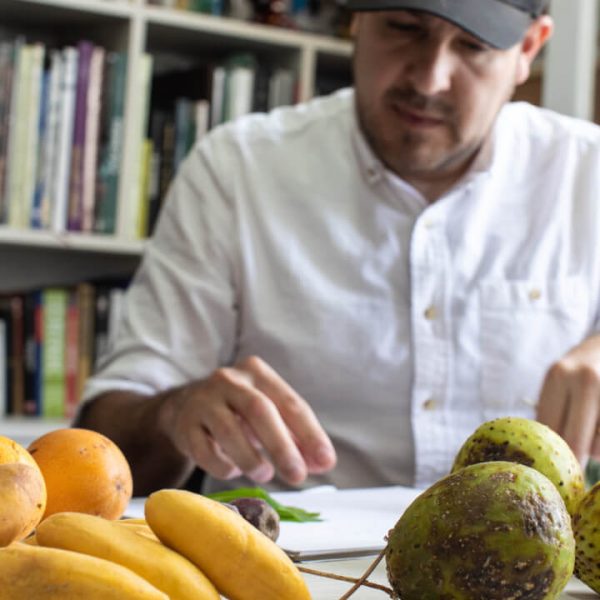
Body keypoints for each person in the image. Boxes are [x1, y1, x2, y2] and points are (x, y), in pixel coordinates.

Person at [77, 0, 600, 496]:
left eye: (473, 45)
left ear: (529, 49)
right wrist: (175, 413)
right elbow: (104, 451)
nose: (429, 79)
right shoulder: (237, 172)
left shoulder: (587, 175)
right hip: (285, 573)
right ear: (357, 20)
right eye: (403, 27)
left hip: (527, 576)